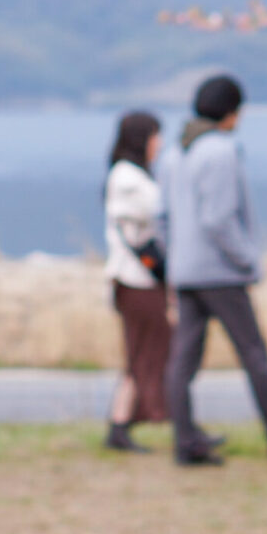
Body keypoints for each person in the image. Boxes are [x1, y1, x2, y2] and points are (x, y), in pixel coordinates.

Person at [161, 74, 267, 466]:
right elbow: (218, 219)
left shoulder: (174, 152)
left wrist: (174, 260)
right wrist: (248, 260)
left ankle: (185, 441)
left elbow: (161, 217)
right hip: (220, 273)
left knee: (183, 360)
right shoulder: (221, 150)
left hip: (185, 270)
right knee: (254, 355)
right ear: (232, 113)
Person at [102, 110, 171, 452]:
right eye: (156, 136)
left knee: (140, 355)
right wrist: (164, 270)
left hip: (135, 279)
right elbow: (139, 233)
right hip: (138, 281)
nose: (160, 144)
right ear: (143, 139)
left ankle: (123, 423)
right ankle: (128, 422)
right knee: (145, 353)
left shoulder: (127, 175)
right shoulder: (129, 179)